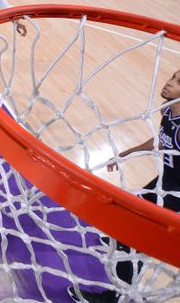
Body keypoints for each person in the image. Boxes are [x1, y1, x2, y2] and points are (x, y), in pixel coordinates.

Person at [68, 70, 180, 302]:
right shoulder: (167, 111)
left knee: (129, 240)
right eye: (173, 76)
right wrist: (129, 152)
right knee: (123, 216)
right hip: (163, 184)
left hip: (176, 196)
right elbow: (160, 139)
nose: (170, 83)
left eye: (179, 82)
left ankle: (122, 298)